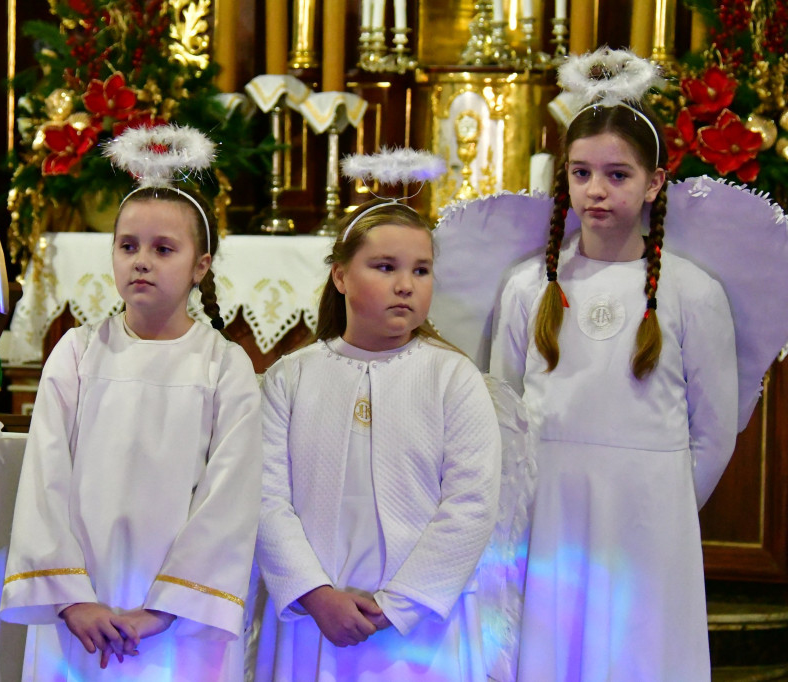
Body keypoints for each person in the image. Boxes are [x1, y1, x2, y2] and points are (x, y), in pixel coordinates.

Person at [489, 50, 738, 680]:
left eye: (618, 175)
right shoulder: (527, 288)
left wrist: (666, 502)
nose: (596, 190)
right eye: (581, 173)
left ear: (654, 183)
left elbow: (713, 431)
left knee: (639, 651)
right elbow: (504, 411)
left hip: (649, 515)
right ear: (564, 179)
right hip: (552, 506)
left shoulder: (693, 293)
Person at [0, 126, 262, 682]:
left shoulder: (223, 366)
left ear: (201, 265)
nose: (142, 260)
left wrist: (164, 608)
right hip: (82, 611)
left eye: (164, 249)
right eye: (129, 246)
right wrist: (72, 600)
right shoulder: (76, 354)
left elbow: (230, 498)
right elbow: (44, 478)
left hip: (179, 624)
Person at [252, 193, 503, 681]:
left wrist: (401, 604)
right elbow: (265, 497)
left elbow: (472, 501)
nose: (405, 285)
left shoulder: (452, 377)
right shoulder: (291, 379)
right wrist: (315, 594)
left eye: (421, 270)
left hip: (420, 626)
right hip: (316, 618)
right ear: (341, 276)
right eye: (385, 267)